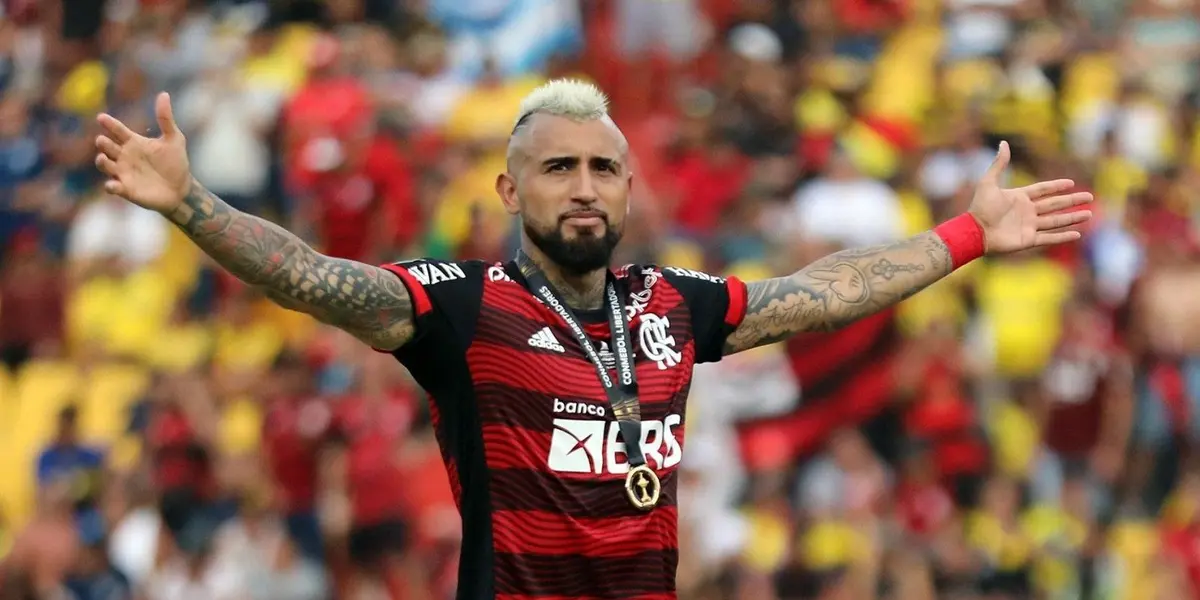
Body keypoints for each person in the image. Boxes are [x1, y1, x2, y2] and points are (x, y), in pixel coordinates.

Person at [92, 79, 1092, 599]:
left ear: (628, 186)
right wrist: (192, 206)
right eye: (557, 167)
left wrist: (965, 236)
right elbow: (317, 279)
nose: (583, 186)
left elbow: (817, 295)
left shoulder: (668, 305)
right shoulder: (460, 307)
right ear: (508, 189)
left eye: (603, 169)